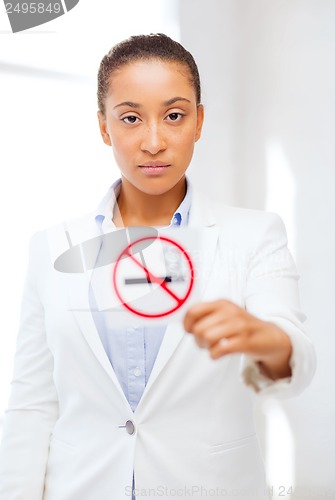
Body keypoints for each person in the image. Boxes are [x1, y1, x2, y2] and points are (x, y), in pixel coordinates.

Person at [0, 33, 316, 500]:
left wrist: (273, 342)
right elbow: (32, 403)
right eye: (130, 118)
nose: (153, 141)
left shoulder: (254, 235)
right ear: (104, 127)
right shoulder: (51, 249)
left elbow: (294, 357)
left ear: (199, 121)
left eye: (174, 116)